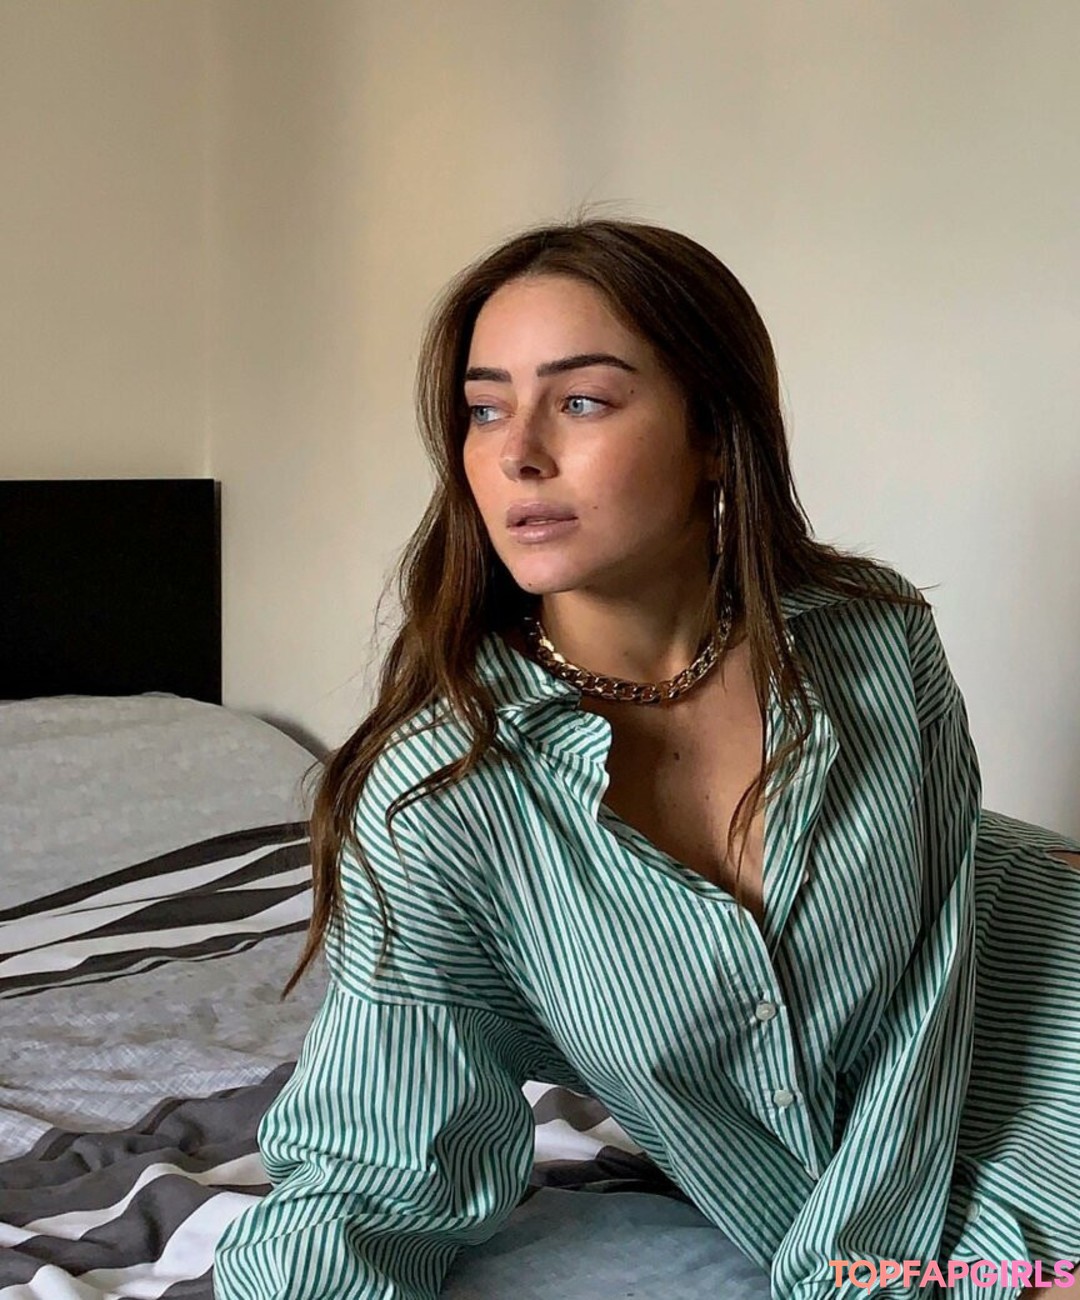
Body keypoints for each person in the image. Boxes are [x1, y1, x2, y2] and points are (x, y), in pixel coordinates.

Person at [213, 216, 1080, 1300]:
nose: (517, 453)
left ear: (713, 429)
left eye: (581, 401)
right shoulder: (443, 798)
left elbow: (940, 948)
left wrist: (878, 1268)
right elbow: (372, 1167)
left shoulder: (874, 637)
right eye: (485, 409)